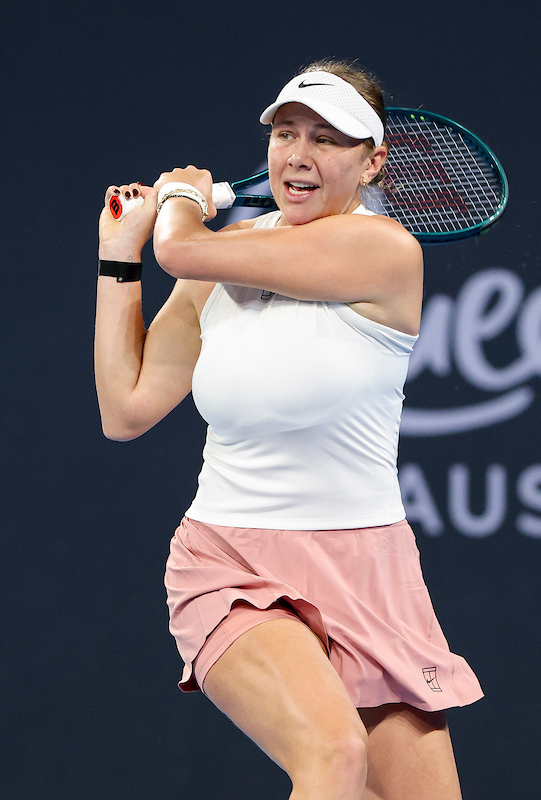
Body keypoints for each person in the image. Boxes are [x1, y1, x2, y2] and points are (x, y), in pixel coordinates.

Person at [94, 60, 482, 800]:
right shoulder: (222, 262)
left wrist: (178, 199)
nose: (299, 154)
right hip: (232, 560)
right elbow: (128, 407)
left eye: (329, 139)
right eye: (287, 132)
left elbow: (181, 245)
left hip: (371, 573)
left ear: (374, 162)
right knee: (334, 754)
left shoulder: (383, 249)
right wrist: (119, 253)